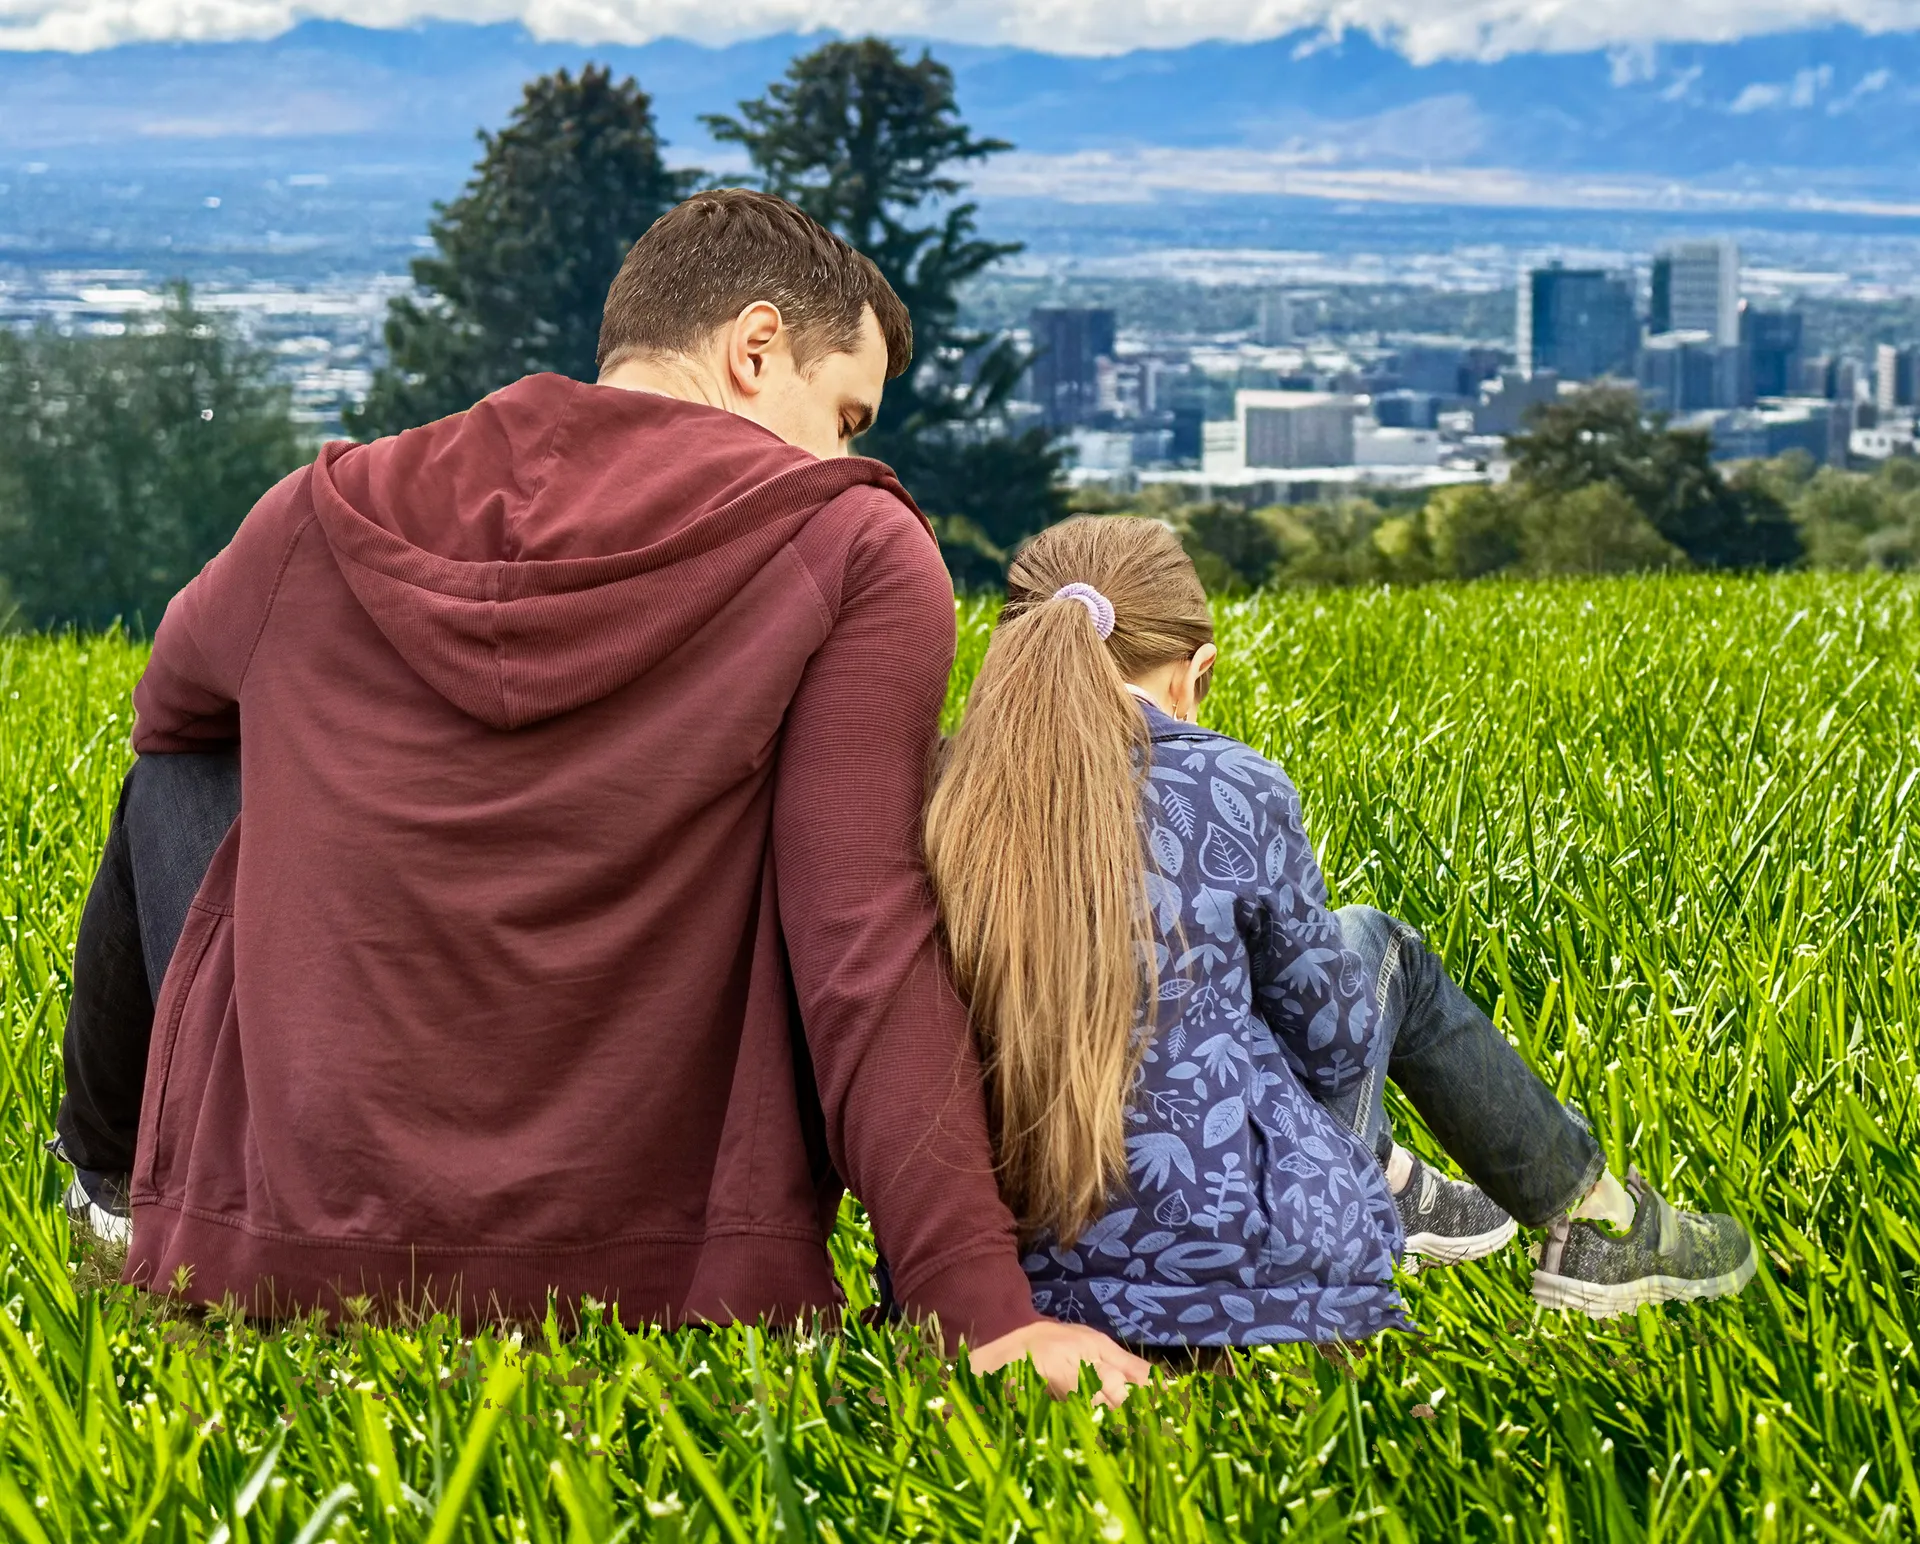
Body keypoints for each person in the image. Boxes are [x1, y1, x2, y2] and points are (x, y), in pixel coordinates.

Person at [47, 188, 1151, 1403]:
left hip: (291, 1255)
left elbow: (175, 719)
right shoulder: (853, 545)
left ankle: (107, 1185)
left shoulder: (321, 513)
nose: (845, 456)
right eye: (843, 414)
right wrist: (978, 1310)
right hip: (662, 1273)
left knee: (183, 771)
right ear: (754, 348)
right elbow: (863, 940)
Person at [923, 516, 1756, 1346]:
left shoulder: (942, 798)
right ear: (1195, 673)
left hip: (989, 1264)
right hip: (1243, 1270)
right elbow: (1336, 1044)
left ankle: (1409, 1184)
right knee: (1375, 948)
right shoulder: (1232, 784)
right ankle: (1598, 1222)